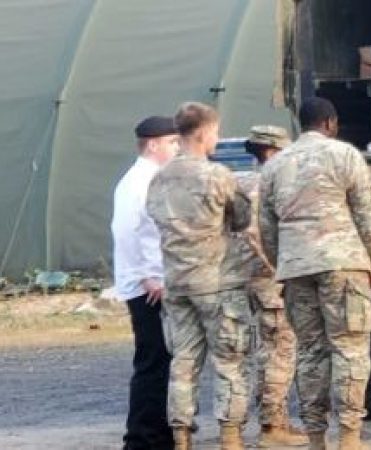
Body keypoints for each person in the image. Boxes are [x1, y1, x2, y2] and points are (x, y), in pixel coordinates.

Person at [259, 97, 371, 450]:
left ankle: (316, 437)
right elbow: (369, 214)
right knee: (350, 349)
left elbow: (265, 227)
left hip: (296, 268)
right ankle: (349, 437)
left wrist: (283, 264)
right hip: (343, 263)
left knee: (310, 352)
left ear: (301, 124)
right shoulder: (345, 155)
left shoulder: (274, 165)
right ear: (330, 123)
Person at [146, 102, 253, 450]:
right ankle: (230, 436)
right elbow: (240, 218)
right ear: (204, 133)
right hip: (217, 280)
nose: (217, 139)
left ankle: (181, 436)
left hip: (177, 282)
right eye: (216, 133)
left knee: (184, 360)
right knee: (229, 359)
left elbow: (154, 217)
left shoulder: (159, 177)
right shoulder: (217, 175)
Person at [236, 125, 308, 447]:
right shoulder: (267, 185)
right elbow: (255, 234)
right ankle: (272, 427)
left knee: (266, 348)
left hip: (245, 276)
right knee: (279, 347)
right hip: (267, 280)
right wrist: (278, 269)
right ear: (272, 152)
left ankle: (273, 420)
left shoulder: (242, 182)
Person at [114, 116, 180, 450]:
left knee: (161, 360)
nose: (177, 148)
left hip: (153, 282)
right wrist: (147, 276)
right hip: (146, 288)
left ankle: (158, 430)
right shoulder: (139, 181)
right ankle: (141, 437)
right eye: (172, 142)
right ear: (153, 144)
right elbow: (126, 231)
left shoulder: (152, 178)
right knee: (152, 361)